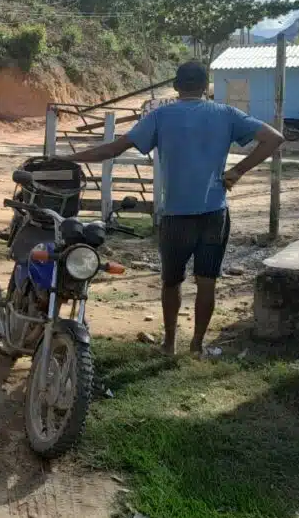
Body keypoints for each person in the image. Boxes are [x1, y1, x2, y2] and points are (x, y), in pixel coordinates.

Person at [57, 61, 284, 355]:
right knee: (207, 281)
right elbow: (274, 138)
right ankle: (197, 344)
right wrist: (238, 170)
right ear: (205, 87)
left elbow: (113, 149)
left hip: (177, 215)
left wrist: (67, 159)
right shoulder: (226, 114)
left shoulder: (161, 116)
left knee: (171, 281)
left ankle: (169, 343)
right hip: (215, 212)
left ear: (176, 87)